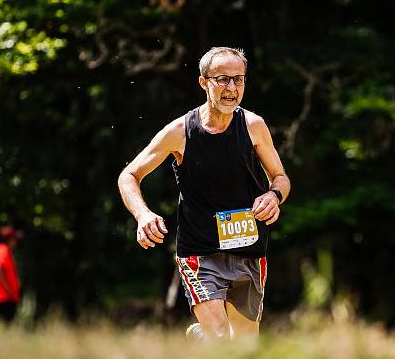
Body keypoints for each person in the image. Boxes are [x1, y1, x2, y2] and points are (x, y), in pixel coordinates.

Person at [118, 46, 291, 341]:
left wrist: (274, 196)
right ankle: (211, 337)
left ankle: (203, 340)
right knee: (223, 339)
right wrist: (143, 214)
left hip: (249, 247)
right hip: (200, 251)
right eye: (222, 79)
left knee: (245, 347)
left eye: (239, 79)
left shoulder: (253, 126)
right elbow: (129, 175)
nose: (231, 88)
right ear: (203, 82)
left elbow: (280, 177)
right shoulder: (180, 132)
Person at [0, 226, 22, 324]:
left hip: (8, 297)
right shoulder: (3, 250)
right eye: (15, 239)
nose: (16, 241)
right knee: (8, 326)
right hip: (5, 298)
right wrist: (8, 289)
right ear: (10, 239)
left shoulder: (5, 251)